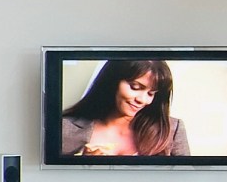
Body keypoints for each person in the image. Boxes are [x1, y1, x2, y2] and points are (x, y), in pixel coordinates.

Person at [59, 58, 190, 157]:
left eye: (151, 94)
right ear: (112, 81)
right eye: (135, 87)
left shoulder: (171, 130)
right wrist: (80, 166)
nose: (142, 100)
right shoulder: (64, 127)